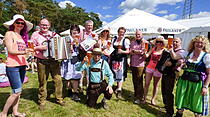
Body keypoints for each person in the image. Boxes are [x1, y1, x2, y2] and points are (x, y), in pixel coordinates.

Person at [0, 14, 33, 117]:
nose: (20, 24)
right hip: (13, 66)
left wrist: (26, 62)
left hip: (22, 65)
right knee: (16, 92)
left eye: (22, 23)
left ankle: (15, 112)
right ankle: (3, 113)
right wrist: (25, 51)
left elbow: (22, 52)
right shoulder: (9, 33)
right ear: (13, 23)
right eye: (18, 22)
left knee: (18, 91)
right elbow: (10, 50)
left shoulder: (22, 37)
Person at [170, 35, 210, 117]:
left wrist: (205, 86)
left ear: (204, 44)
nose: (199, 44)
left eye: (201, 43)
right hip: (184, 82)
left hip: (197, 84)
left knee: (196, 105)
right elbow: (175, 57)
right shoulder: (188, 53)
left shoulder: (206, 56)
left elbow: (209, 73)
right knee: (181, 102)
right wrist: (170, 49)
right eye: (197, 42)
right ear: (193, 43)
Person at [31, 18, 65, 110]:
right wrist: (40, 47)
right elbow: (31, 47)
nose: (44, 26)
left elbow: (62, 45)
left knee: (58, 80)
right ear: (39, 25)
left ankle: (59, 98)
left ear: (49, 26)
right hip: (42, 61)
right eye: (43, 25)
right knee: (42, 81)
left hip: (54, 61)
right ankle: (42, 100)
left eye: (46, 25)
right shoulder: (35, 34)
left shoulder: (54, 35)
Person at [160, 37, 185, 117]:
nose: (174, 43)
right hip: (165, 72)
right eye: (173, 41)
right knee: (163, 90)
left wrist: (172, 64)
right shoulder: (170, 49)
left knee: (168, 92)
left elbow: (181, 62)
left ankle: (170, 112)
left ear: (180, 43)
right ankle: (166, 106)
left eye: (176, 42)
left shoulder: (181, 51)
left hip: (172, 73)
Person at [60, 25, 82, 101]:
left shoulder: (79, 39)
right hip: (67, 60)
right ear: (71, 31)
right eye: (73, 30)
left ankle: (75, 93)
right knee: (68, 77)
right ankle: (69, 91)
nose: (75, 31)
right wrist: (70, 46)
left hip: (76, 59)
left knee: (76, 77)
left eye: (77, 30)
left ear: (78, 32)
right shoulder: (66, 38)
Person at [143, 36, 166, 105]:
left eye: (160, 42)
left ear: (162, 43)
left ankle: (153, 100)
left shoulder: (164, 50)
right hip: (150, 67)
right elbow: (147, 56)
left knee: (155, 85)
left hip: (158, 69)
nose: (159, 43)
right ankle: (144, 98)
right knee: (146, 84)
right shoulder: (153, 49)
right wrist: (144, 52)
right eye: (157, 42)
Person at [110, 27, 130, 98]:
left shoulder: (126, 40)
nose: (121, 33)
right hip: (114, 58)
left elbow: (128, 51)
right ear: (118, 32)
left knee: (120, 73)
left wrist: (122, 51)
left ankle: (119, 89)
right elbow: (111, 48)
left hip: (121, 59)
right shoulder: (114, 39)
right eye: (120, 32)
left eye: (123, 32)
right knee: (113, 72)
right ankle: (111, 87)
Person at [130, 30, 146, 104]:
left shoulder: (144, 42)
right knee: (134, 80)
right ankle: (136, 94)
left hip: (140, 64)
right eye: (137, 34)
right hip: (133, 63)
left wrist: (135, 51)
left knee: (139, 81)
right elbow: (130, 51)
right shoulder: (133, 42)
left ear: (142, 35)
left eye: (139, 34)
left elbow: (143, 52)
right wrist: (138, 51)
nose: (138, 36)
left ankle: (140, 97)